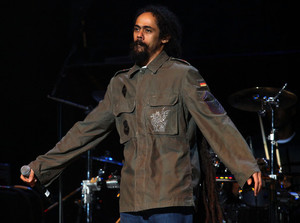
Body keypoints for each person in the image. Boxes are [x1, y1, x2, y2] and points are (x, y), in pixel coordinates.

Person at [21, 5, 262, 223]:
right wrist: (41, 168)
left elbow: (216, 121)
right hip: (131, 202)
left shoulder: (182, 75)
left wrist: (245, 165)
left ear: (164, 37)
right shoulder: (121, 84)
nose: (139, 35)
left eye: (147, 30)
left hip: (171, 198)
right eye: (137, 29)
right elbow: (85, 131)